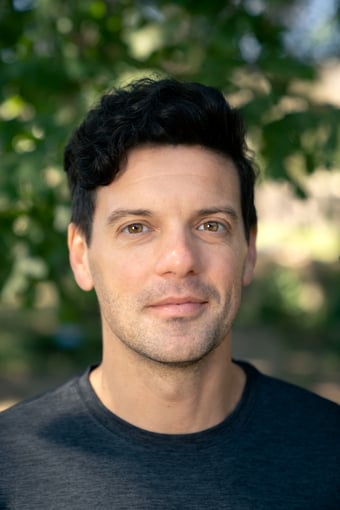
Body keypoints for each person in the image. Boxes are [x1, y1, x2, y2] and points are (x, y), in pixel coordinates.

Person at [0, 77, 339, 509]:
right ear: (82, 256)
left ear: (248, 251)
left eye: (211, 225)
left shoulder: (330, 452)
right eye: (136, 228)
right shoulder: (9, 468)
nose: (180, 259)